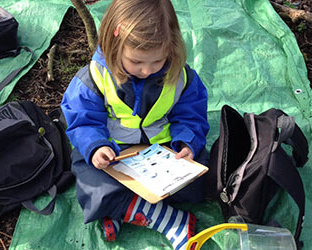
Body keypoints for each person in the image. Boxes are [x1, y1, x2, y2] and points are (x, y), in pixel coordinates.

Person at [61, 0, 209, 249]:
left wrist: (186, 143)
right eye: (137, 61)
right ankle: (166, 219)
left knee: (200, 179)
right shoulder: (94, 77)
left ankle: (124, 211)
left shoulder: (181, 76)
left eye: (157, 61)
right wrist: (96, 147)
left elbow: (192, 116)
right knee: (90, 180)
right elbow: (81, 119)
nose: (146, 70)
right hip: (114, 153)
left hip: (163, 151)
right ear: (114, 45)